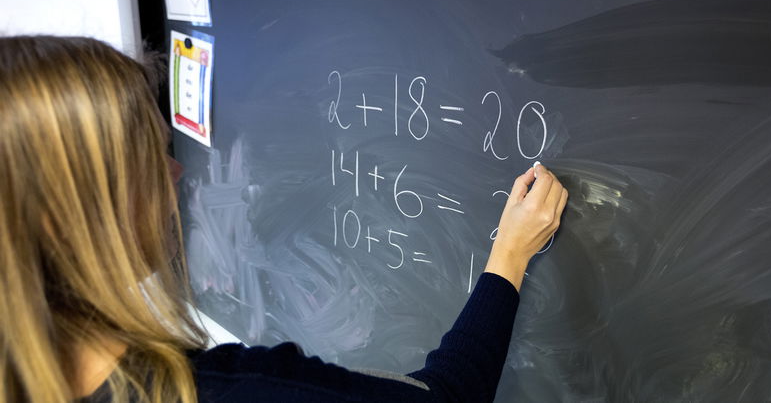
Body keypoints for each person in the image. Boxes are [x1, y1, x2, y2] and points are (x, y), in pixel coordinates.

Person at [0, 36, 568, 403]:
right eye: (149, 154)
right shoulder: (225, 392)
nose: (177, 171)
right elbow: (442, 399)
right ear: (75, 214)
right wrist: (509, 256)